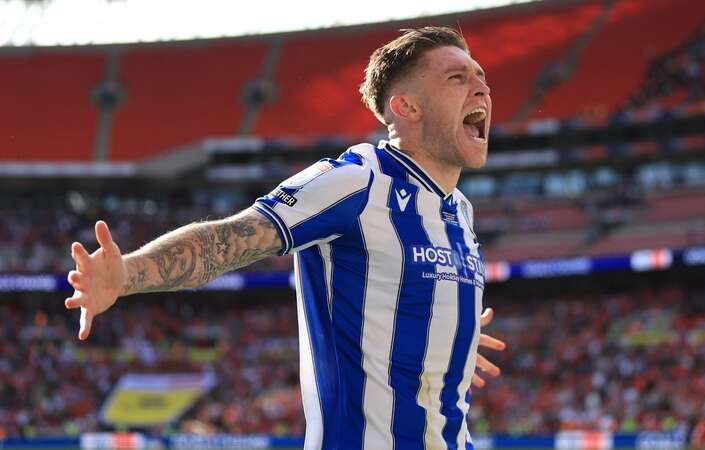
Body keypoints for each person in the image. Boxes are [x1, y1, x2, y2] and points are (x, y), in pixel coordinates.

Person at [65, 26, 506, 450]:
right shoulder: (357, 181)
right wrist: (127, 273)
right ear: (407, 107)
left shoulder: (459, 211)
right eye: (457, 77)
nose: (481, 87)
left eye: (481, 76)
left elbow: (400, 294)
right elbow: (228, 239)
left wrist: (446, 330)